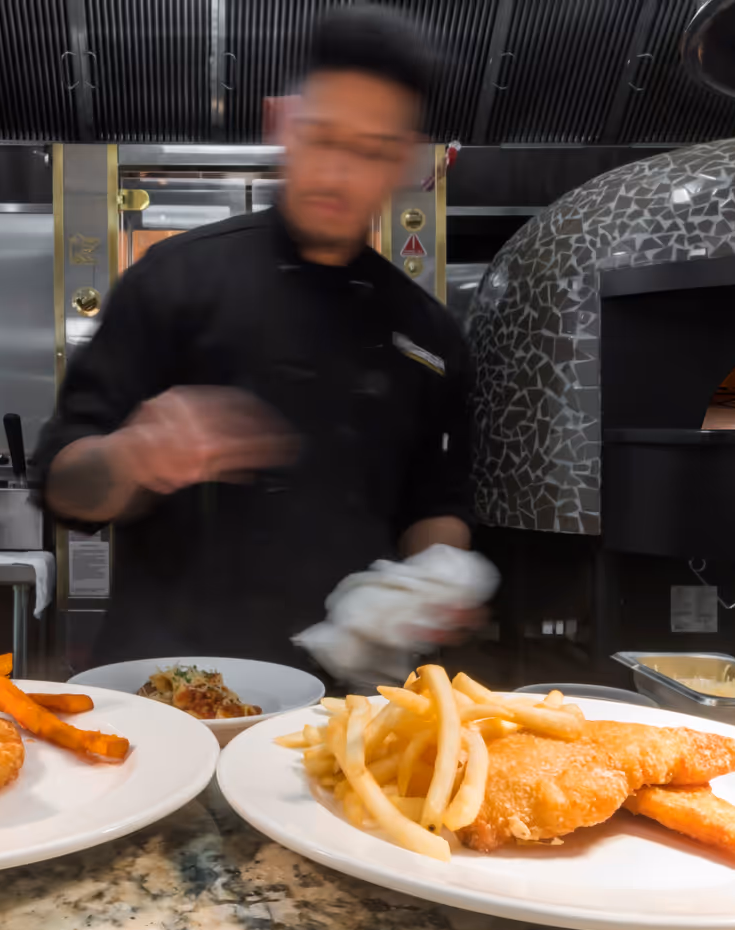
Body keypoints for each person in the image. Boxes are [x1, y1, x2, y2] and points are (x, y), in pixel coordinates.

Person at [35, 5, 474, 670]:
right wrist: (132, 457)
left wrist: (443, 584)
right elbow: (64, 490)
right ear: (284, 124)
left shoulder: (429, 334)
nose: (338, 173)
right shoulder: (175, 280)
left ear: (405, 164)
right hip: (175, 689)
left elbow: (436, 506)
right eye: (325, 138)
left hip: (342, 706)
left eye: (372, 152)